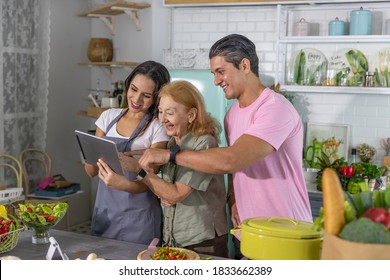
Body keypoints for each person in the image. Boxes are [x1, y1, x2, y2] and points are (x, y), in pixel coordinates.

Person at [134, 34, 312, 258]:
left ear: (244, 65)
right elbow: (233, 170)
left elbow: (232, 159)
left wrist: (169, 156)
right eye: (214, 74)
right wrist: (233, 199)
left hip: (285, 234)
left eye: (221, 71)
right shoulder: (233, 114)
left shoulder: (275, 109)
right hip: (246, 232)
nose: (216, 81)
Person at [98, 80, 229, 258]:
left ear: (191, 115)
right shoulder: (173, 142)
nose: (162, 119)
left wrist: (139, 169)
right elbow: (167, 191)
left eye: (170, 113)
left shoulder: (204, 143)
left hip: (202, 240)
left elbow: (174, 194)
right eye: (160, 111)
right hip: (175, 237)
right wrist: (161, 192)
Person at [83, 60, 170, 245]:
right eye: (134, 89)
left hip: (139, 218)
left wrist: (122, 184)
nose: (137, 100)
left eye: (146, 95)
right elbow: (90, 171)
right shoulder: (107, 117)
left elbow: (151, 183)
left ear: (157, 97)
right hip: (105, 212)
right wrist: (88, 148)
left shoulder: (158, 127)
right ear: (127, 84)